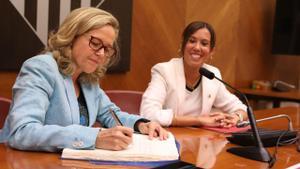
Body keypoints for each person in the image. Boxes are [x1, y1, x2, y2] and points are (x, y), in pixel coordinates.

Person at [0, 7, 168, 152]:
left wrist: (141, 125)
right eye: (95, 43)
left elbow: (112, 115)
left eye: (107, 49)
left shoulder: (88, 79)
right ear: (72, 36)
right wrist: (94, 138)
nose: (101, 54)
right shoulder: (41, 68)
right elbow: (22, 132)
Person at [140, 21, 248, 127]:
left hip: (199, 140)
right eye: (192, 41)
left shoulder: (212, 74)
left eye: (204, 43)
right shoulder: (164, 71)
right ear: (183, 45)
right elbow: (148, 113)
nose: (197, 48)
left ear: (211, 51)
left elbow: (241, 108)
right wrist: (198, 120)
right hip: (167, 139)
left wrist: (236, 116)